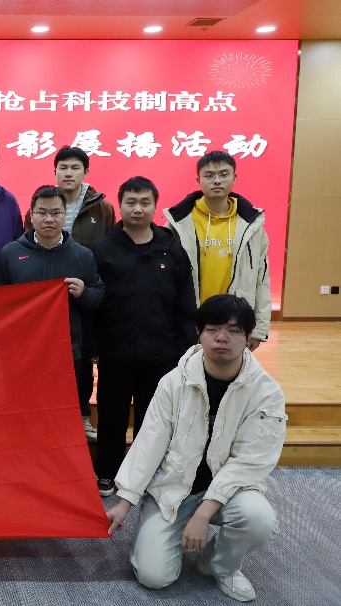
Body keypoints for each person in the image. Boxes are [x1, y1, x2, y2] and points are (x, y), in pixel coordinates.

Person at [106, 295, 286, 602]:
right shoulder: (174, 382)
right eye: (212, 329)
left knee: (258, 519)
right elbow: (149, 442)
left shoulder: (266, 392)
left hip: (231, 491)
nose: (221, 338)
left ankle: (218, 564)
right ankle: (166, 534)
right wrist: (125, 500)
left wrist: (203, 514)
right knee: (154, 577)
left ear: (248, 338)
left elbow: (251, 462)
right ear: (199, 333)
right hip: (173, 488)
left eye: (233, 330)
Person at [91, 176, 198, 497]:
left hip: (161, 351)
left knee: (154, 418)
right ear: (120, 205)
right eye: (131, 202)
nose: (137, 209)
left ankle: (143, 474)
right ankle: (108, 472)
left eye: (145, 203)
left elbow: (185, 304)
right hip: (116, 351)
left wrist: (184, 349)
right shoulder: (103, 250)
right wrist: (95, 346)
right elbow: (95, 303)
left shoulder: (172, 249)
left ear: (154, 206)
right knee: (112, 415)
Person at [0, 185, 104, 423]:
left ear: (65, 215)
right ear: (31, 215)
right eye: (42, 212)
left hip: (66, 353)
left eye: (55, 213)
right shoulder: (10, 254)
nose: (49, 219)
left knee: (60, 417)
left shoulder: (82, 255)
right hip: (21, 354)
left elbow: (98, 297)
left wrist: (84, 292)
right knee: (21, 416)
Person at [27, 146, 115, 442]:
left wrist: (89, 288)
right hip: (45, 301)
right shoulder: (41, 203)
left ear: (85, 172)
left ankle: (83, 416)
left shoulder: (102, 208)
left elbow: (109, 249)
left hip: (84, 293)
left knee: (83, 357)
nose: (69, 173)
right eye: (63, 167)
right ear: (54, 171)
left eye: (75, 167)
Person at [164, 151, 271, 351]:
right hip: (189, 320)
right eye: (209, 175)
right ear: (198, 180)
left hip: (235, 322)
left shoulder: (252, 226)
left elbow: (262, 279)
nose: (217, 180)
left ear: (234, 178)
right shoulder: (178, 223)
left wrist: (258, 329)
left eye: (223, 174)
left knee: (230, 371)